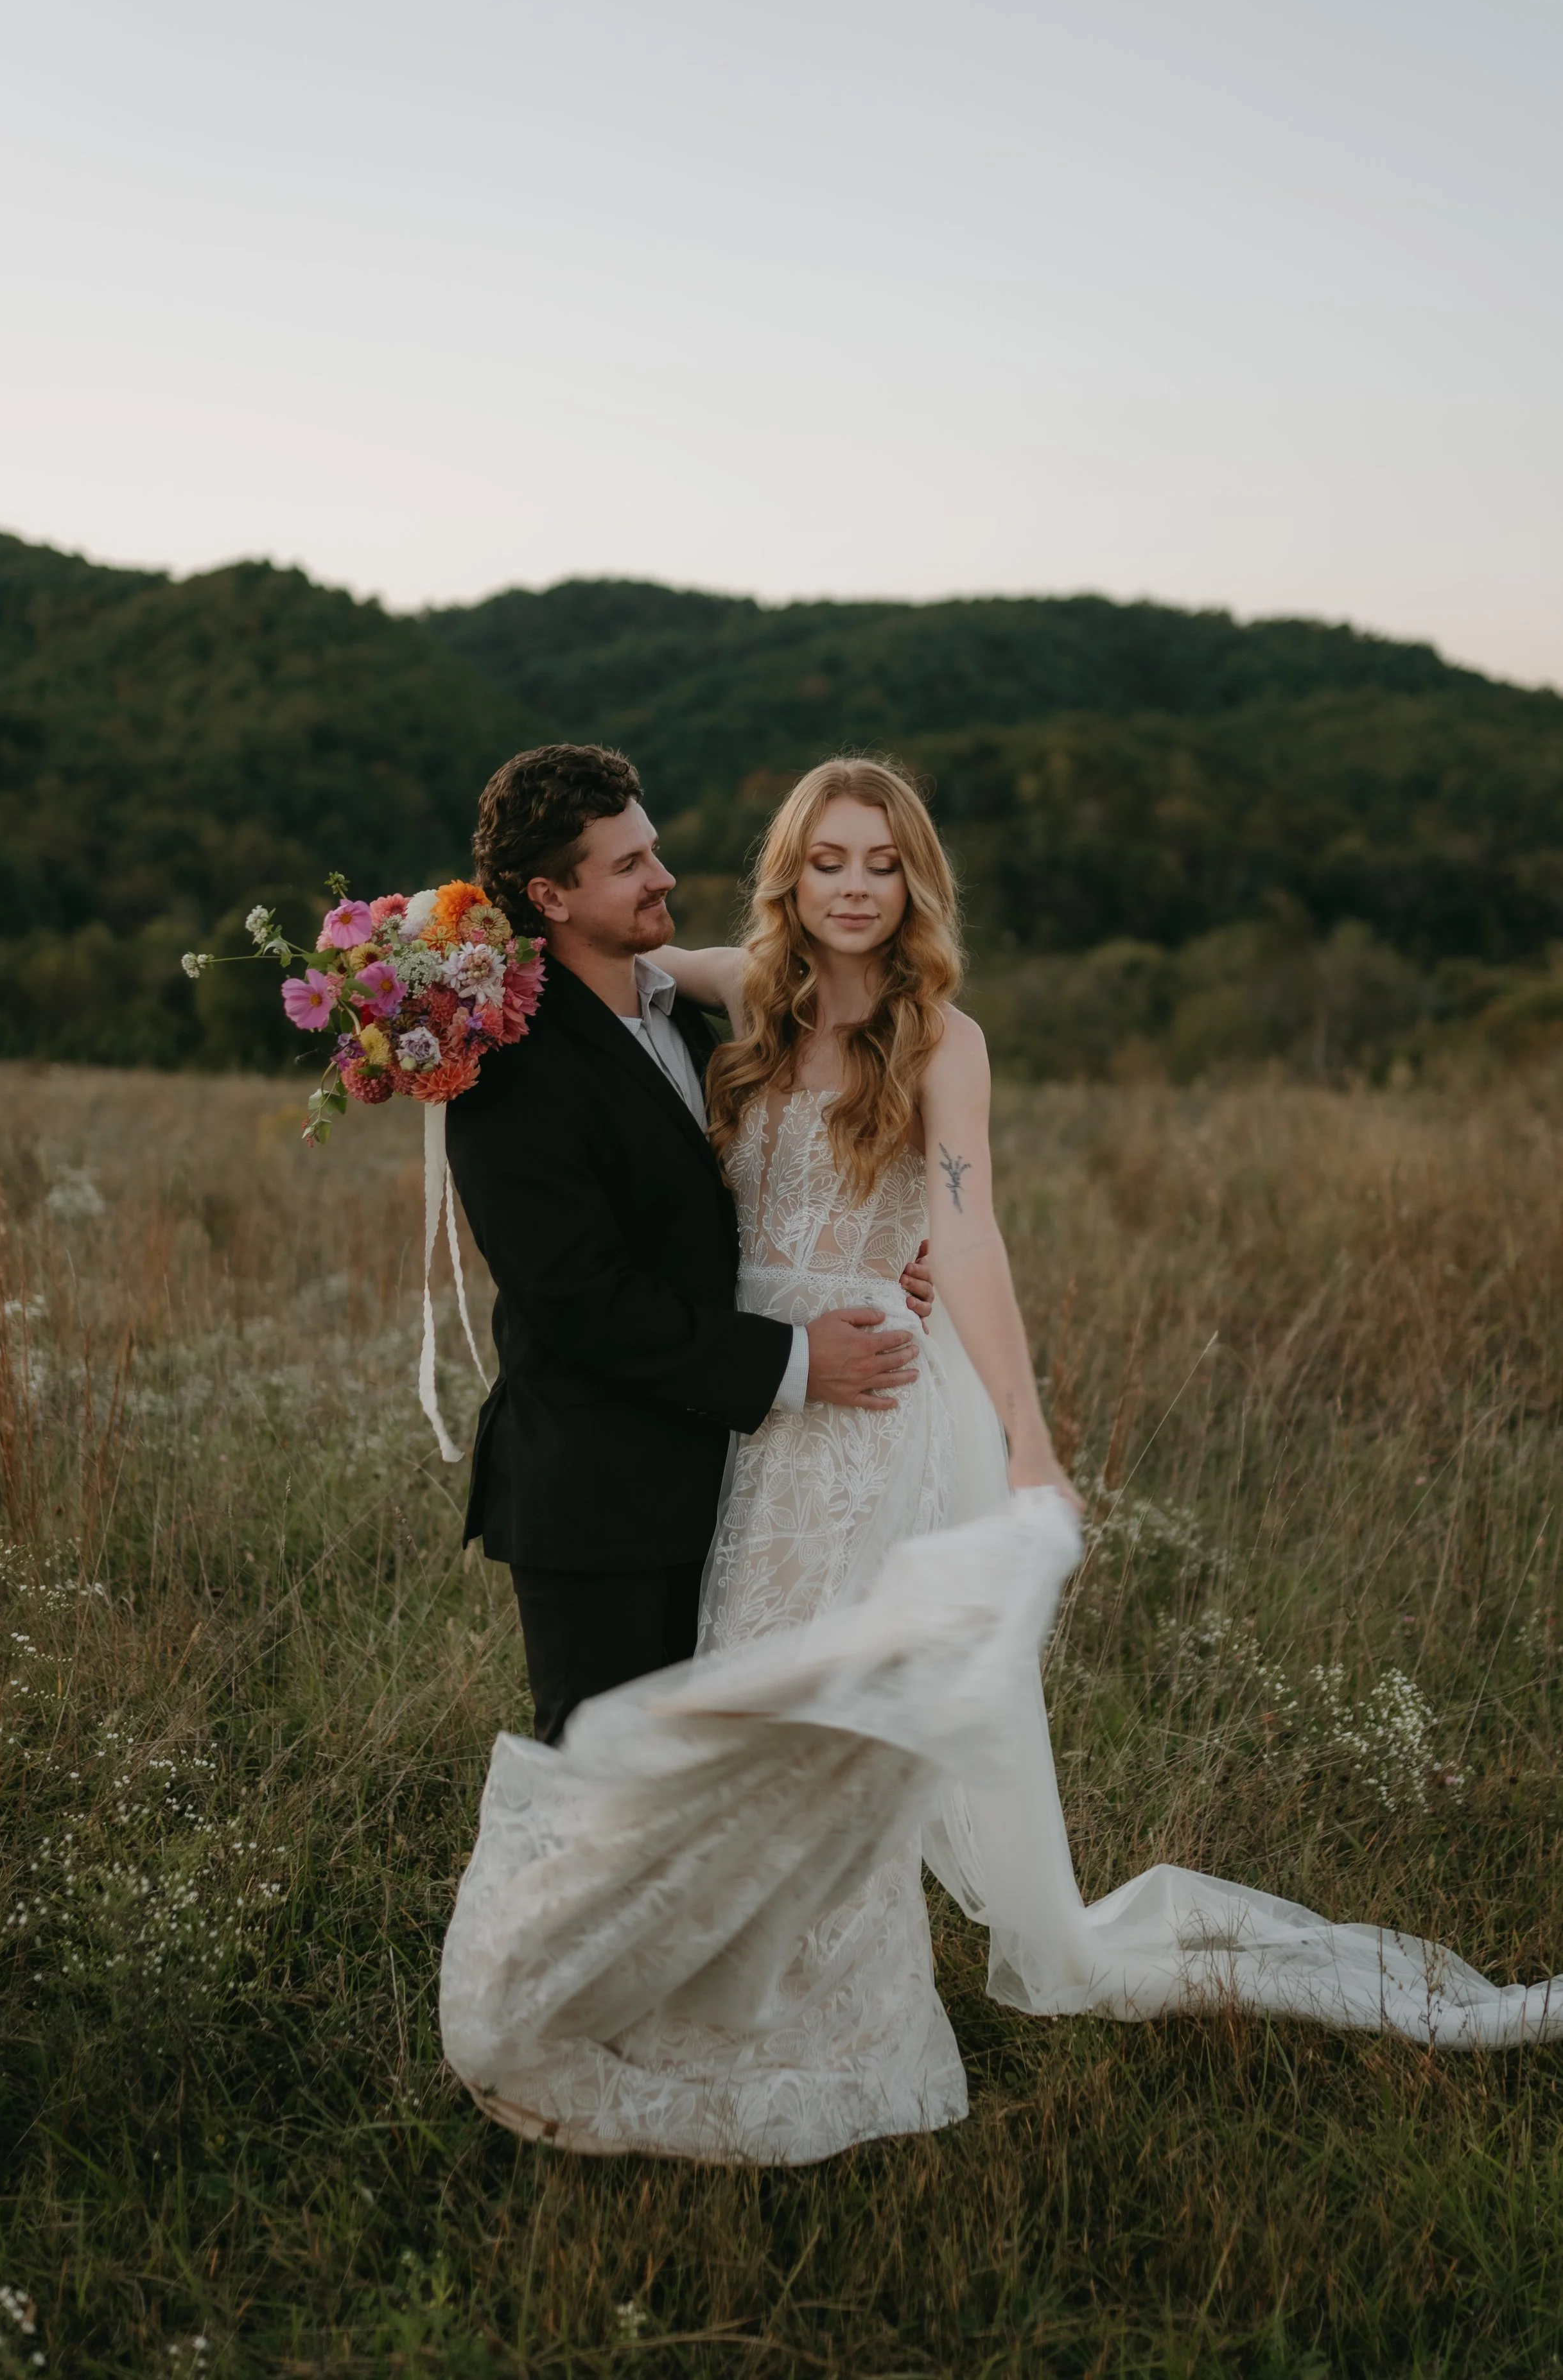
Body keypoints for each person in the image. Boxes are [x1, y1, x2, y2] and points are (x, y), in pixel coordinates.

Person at [441, 754, 1562, 2166]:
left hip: (859, 1421)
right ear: (789, 874)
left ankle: (821, 2017)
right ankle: (677, 1986)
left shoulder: (941, 1043)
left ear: (916, 880)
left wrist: (1029, 1440)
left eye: (883, 862)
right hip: (739, 1428)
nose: (855, 888)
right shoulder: (726, 988)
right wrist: (409, 987)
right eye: (829, 861)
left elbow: (964, 1233)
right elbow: (582, 991)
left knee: (837, 1726)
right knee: (735, 1712)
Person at [444, 743, 937, 1746]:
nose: (663, 875)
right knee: (599, 1794)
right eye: (627, 865)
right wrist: (799, 1360)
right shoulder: (508, 1072)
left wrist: (891, 1258)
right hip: (600, 1497)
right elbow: (578, 1299)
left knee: (707, 1798)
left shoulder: (693, 1020)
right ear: (551, 894)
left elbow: (749, 1208)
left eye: (653, 848)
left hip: (731, 1484)